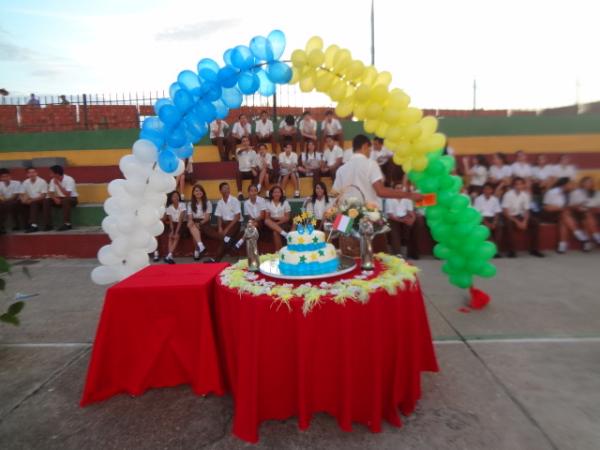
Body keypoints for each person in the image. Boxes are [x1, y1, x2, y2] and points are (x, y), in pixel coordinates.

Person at [332, 135, 423, 208]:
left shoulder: (341, 169)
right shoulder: (371, 164)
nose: (370, 152)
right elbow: (381, 191)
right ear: (365, 147)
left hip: (346, 217)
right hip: (367, 216)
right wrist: (409, 195)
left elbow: (334, 196)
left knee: (343, 231)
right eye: (369, 149)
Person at [542, 177, 592, 253]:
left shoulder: (572, 193)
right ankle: (580, 236)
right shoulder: (552, 192)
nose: (572, 185)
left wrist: (575, 206)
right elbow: (546, 208)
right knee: (564, 214)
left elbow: (572, 206)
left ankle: (562, 246)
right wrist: (561, 209)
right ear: (564, 185)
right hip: (551, 214)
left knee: (563, 220)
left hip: (566, 215)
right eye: (570, 184)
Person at [501, 177, 544, 258]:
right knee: (509, 225)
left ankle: (534, 249)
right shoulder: (508, 195)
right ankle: (511, 251)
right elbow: (505, 212)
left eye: (521, 184)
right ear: (513, 185)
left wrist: (525, 221)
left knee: (535, 222)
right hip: (509, 216)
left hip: (520, 216)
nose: (519, 186)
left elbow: (527, 211)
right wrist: (517, 222)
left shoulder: (525, 195)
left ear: (524, 185)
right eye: (517, 184)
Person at [385, 183, 419, 259]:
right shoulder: (389, 199)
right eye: (397, 188)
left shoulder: (407, 198)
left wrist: (412, 220)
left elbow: (410, 212)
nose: (399, 190)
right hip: (393, 219)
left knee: (414, 227)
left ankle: (413, 254)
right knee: (395, 234)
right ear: (394, 189)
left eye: (401, 188)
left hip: (404, 217)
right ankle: (398, 254)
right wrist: (403, 221)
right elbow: (390, 215)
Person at [213, 182, 242, 261]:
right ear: (220, 191)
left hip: (235, 223)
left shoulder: (234, 200)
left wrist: (226, 229)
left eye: (228, 188)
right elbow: (219, 216)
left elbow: (237, 217)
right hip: (225, 223)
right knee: (222, 236)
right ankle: (233, 247)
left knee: (226, 238)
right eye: (224, 188)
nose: (227, 190)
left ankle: (216, 259)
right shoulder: (220, 202)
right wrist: (219, 227)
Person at [233, 184, 267, 249]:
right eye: (251, 191)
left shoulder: (262, 200)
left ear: (257, 192)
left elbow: (262, 216)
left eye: (255, 191)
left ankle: (241, 240)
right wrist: (252, 222)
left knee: (250, 226)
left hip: (261, 221)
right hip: (253, 222)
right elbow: (249, 217)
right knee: (251, 228)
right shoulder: (246, 203)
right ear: (248, 192)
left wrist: (252, 222)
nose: (253, 193)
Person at [44, 165, 78, 231]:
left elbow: (67, 194)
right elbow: (50, 192)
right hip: (60, 199)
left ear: (56, 174)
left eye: (51, 173)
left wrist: (58, 184)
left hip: (72, 199)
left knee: (65, 200)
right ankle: (48, 225)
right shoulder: (52, 180)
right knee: (46, 201)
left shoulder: (69, 179)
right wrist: (55, 199)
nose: (50, 174)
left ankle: (67, 224)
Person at [569, 176, 600, 245]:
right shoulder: (576, 192)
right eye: (587, 182)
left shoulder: (597, 193)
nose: (590, 184)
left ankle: (587, 243)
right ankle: (596, 236)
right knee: (586, 215)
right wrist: (579, 206)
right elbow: (571, 205)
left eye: (591, 182)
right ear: (582, 183)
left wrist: (593, 208)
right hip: (578, 212)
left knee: (586, 217)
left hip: (593, 212)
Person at [473, 182, 502, 255]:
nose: (487, 191)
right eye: (485, 189)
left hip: (492, 218)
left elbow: (497, 212)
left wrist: (494, 222)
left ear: (492, 190)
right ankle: (493, 251)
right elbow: (478, 214)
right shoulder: (478, 199)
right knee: (486, 229)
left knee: (499, 227)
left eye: (489, 189)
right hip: (482, 219)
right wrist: (487, 223)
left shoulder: (494, 199)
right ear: (483, 190)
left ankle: (495, 248)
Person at [186, 184, 212, 260]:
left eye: (200, 190)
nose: (198, 192)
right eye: (196, 191)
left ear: (203, 192)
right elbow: (190, 217)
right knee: (191, 225)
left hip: (205, 222)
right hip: (195, 221)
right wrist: (191, 221)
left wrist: (199, 223)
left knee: (193, 228)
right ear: (193, 193)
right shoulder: (190, 203)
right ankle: (200, 246)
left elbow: (207, 218)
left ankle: (197, 250)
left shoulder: (207, 202)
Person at [20, 168, 48, 233]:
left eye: (33, 172)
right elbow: (21, 193)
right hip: (31, 200)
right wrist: (23, 200)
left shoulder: (42, 181)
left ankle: (34, 225)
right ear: (27, 174)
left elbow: (43, 195)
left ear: (36, 173)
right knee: (19, 204)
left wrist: (32, 200)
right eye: (30, 172)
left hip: (41, 201)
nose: (32, 174)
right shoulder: (25, 182)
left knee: (33, 203)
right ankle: (26, 224)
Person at [162, 191, 187, 264]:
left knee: (176, 236)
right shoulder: (169, 207)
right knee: (170, 236)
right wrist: (172, 230)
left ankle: (169, 255)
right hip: (173, 224)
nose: (176, 197)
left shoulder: (182, 205)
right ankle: (170, 255)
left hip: (182, 224)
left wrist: (176, 232)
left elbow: (180, 220)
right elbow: (170, 221)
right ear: (171, 198)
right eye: (174, 196)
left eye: (177, 196)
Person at [264, 185, 291, 250]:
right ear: (272, 194)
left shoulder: (285, 202)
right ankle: (285, 235)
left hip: (283, 223)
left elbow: (287, 218)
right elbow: (267, 218)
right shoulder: (268, 203)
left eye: (278, 192)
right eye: (275, 192)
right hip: (271, 222)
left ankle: (279, 251)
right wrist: (276, 220)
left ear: (281, 194)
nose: (277, 194)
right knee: (266, 221)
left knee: (275, 232)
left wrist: (276, 223)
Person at [235, 136, 258, 200]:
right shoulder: (238, 150)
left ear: (249, 142)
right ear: (241, 143)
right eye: (243, 141)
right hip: (242, 172)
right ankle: (240, 193)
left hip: (250, 170)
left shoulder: (253, 152)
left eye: (247, 141)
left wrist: (253, 169)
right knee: (238, 172)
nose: (245, 142)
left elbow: (254, 163)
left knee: (256, 173)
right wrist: (246, 148)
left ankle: (253, 192)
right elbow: (239, 152)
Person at [0, 168, 22, 233]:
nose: (5, 178)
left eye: (7, 176)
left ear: (10, 176)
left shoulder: (17, 183)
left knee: (6, 206)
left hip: (15, 201)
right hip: (4, 202)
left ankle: (2, 226)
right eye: (3, 177)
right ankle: (1, 227)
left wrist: (5, 200)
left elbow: (15, 196)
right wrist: (3, 200)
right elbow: (1, 196)